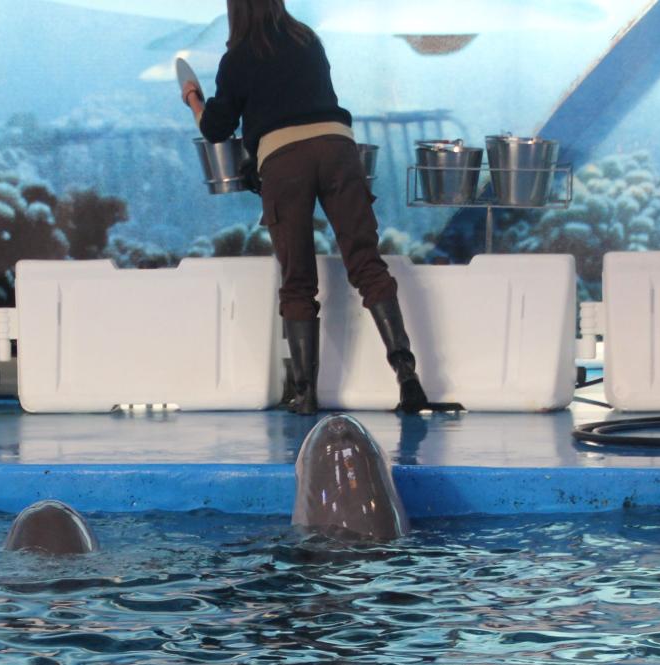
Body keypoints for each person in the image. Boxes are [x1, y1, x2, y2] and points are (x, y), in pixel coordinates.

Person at [181, 0, 459, 416]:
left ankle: (306, 393)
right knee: (367, 264)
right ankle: (406, 377)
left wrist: (192, 99)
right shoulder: (307, 40)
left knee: (297, 279)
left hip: (283, 162)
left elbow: (217, 128)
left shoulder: (236, 59)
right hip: (337, 149)